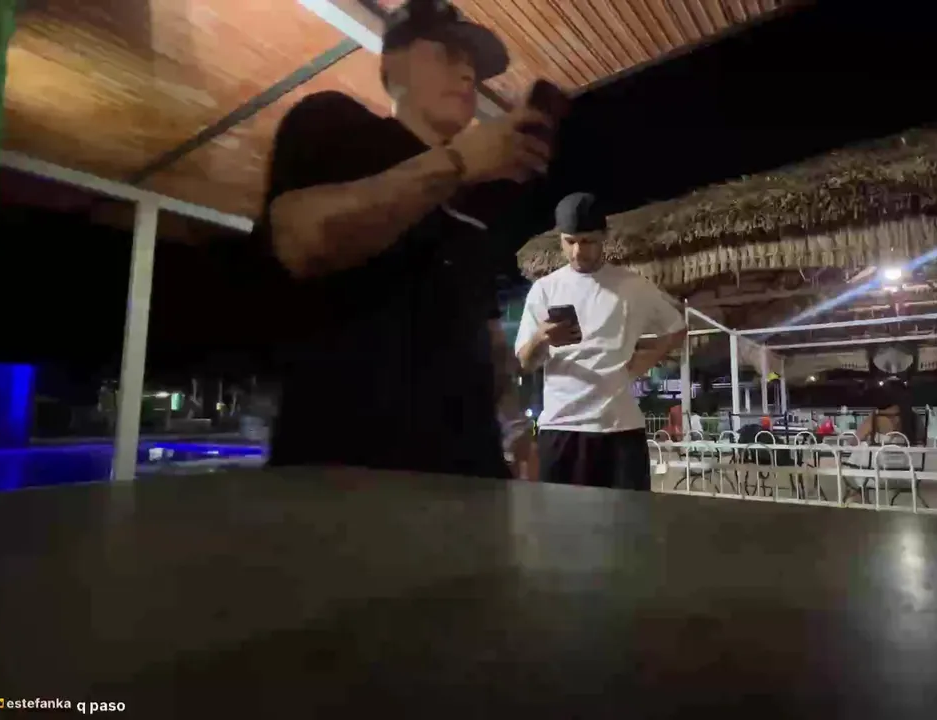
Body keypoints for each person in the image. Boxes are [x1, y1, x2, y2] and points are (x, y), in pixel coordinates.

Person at [253, 0, 553, 477]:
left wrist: (517, 428)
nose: (468, 74)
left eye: (474, 67)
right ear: (392, 63)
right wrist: (457, 161)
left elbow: (488, 336)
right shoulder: (334, 123)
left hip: (472, 480)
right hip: (346, 482)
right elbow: (301, 241)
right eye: (449, 53)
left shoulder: (468, 201)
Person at [514, 193, 687, 490]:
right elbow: (525, 363)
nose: (578, 251)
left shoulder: (633, 286)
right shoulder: (544, 290)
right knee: (558, 520)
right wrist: (542, 337)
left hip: (620, 431)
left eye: (588, 241)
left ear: (604, 236)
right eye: (570, 241)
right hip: (560, 428)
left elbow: (677, 328)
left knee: (628, 519)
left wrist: (646, 360)